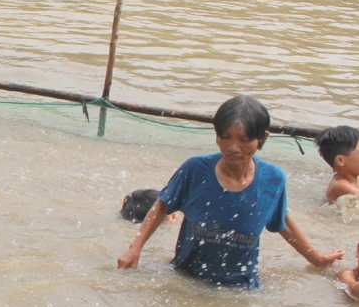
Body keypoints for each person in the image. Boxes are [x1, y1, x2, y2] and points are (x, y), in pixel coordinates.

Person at [117, 95, 343, 288]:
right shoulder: (195, 170)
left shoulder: (273, 179)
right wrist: (134, 249)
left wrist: (316, 258)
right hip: (185, 280)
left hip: (241, 288)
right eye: (225, 137)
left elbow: (281, 219)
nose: (233, 148)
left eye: (244, 140)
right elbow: (162, 205)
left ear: (262, 139)